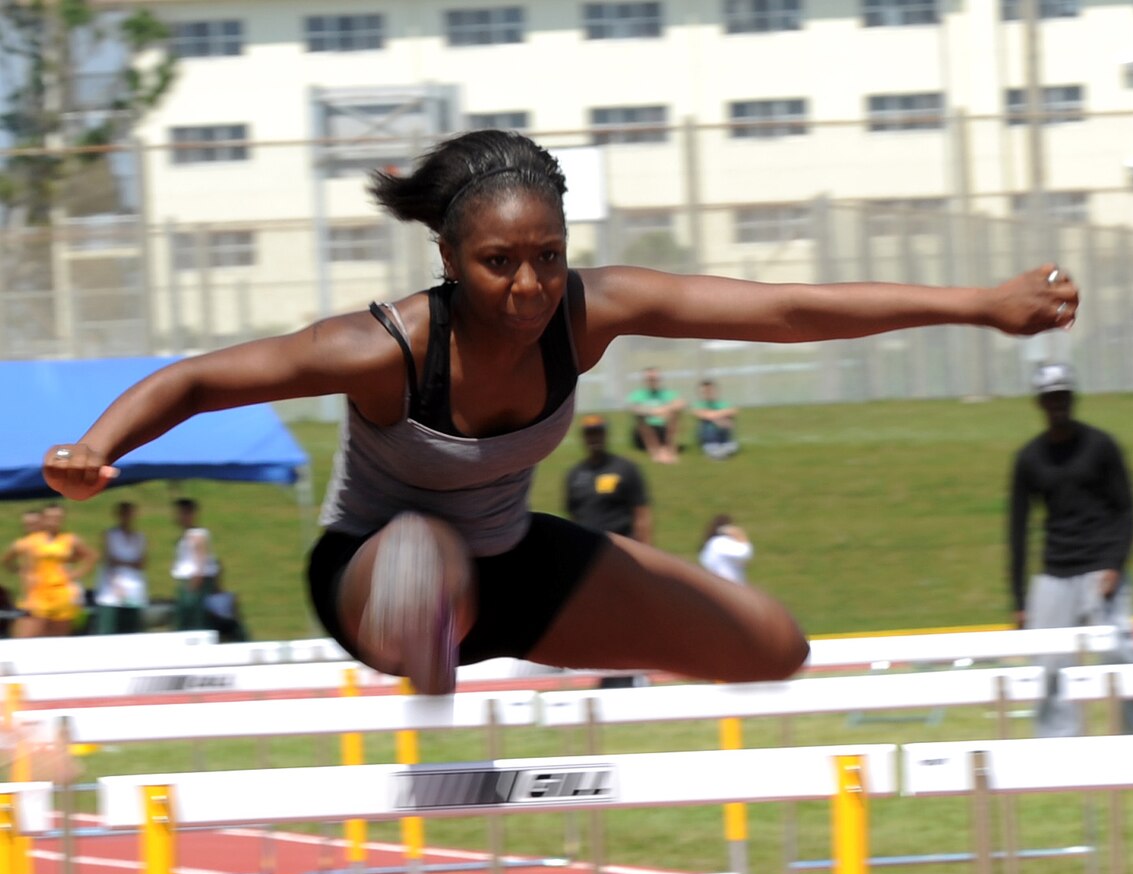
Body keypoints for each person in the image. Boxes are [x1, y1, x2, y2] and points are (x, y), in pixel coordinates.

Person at [41, 129, 1077, 696]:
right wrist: (98, 448)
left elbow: (782, 309)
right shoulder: (384, 348)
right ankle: (427, 644)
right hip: (372, 577)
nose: (529, 289)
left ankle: (467, 630)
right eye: (498, 264)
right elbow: (202, 379)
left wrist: (978, 305)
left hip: (509, 567)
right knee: (422, 551)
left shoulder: (592, 312)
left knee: (771, 647)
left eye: (546, 258)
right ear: (447, 261)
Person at [1008, 361, 1133, 738]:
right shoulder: (1030, 458)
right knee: (1049, 664)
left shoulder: (1100, 447)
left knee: (1121, 656)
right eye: (1050, 398)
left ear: (1073, 398)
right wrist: (1020, 599)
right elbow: (1018, 531)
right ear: (1040, 403)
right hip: (1055, 573)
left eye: (1063, 396)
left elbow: (1127, 512)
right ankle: (1058, 749)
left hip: (1101, 570)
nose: (1058, 404)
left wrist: (1115, 566)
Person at [562, 415, 652, 546]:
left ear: (605, 434)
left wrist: (645, 548)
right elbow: (572, 515)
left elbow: (641, 512)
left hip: (620, 547)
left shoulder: (625, 468)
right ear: (584, 437)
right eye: (590, 434)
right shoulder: (574, 474)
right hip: (585, 548)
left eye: (598, 433)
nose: (594, 438)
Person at [5, 504, 92, 638]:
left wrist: (76, 573)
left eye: (58, 517)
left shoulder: (68, 539)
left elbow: (90, 556)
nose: (54, 520)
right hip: (38, 593)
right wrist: (20, 570)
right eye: (50, 517)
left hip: (61, 591)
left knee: (58, 638)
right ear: (43, 519)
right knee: (27, 635)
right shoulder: (31, 541)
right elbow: (8, 558)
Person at [96, 499, 150, 634]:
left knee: (132, 630)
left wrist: (122, 562)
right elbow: (109, 560)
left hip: (134, 588)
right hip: (113, 589)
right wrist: (130, 564)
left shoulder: (139, 537)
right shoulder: (110, 535)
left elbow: (142, 563)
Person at [168, 497, 221, 631]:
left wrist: (196, 580)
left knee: (195, 619)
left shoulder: (197, 534)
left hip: (194, 581)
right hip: (187, 580)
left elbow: (200, 557)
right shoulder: (185, 535)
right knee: (186, 619)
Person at [626, 367, 684, 463]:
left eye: (655, 379)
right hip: (645, 430)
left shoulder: (667, 393)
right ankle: (655, 452)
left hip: (663, 427)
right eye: (650, 379)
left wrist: (665, 409)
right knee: (640, 417)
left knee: (675, 414)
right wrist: (653, 412)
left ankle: (670, 449)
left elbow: (681, 404)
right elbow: (634, 408)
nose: (652, 381)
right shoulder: (638, 394)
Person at [697, 515, 752, 584]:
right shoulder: (721, 542)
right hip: (729, 585)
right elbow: (745, 553)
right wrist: (740, 536)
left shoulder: (710, 545)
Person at [691, 379, 739, 459]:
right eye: (705, 391)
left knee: (731, 446)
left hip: (724, 433)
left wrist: (715, 415)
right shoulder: (698, 404)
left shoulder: (724, 403)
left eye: (710, 390)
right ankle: (712, 447)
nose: (708, 393)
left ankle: (724, 445)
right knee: (712, 425)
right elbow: (702, 414)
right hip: (708, 437)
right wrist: (721, 416)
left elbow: (734, 411)